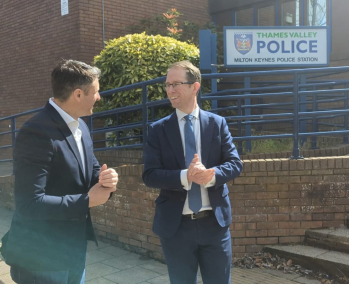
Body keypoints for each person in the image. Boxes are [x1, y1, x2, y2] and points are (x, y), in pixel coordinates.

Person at [1, 60, 118, 284]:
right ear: (77, 94)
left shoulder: (81, 126)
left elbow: (91, 170)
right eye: (96, 92)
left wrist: (106, 179)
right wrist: (86, 201)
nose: (99, 97)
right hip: (41, 258)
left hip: (73, 250)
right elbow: (29, 203)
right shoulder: (36, 132)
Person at [142, 61, 243, 284]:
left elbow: (235, 163)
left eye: (176, 84)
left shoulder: (216, 124)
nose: (170, 90)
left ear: (195, 87)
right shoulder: (158, 129)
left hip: (214, 226)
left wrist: (212, 174)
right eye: (167, 85)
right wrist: (184, 176)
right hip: (176, 227)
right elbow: (149, 175)